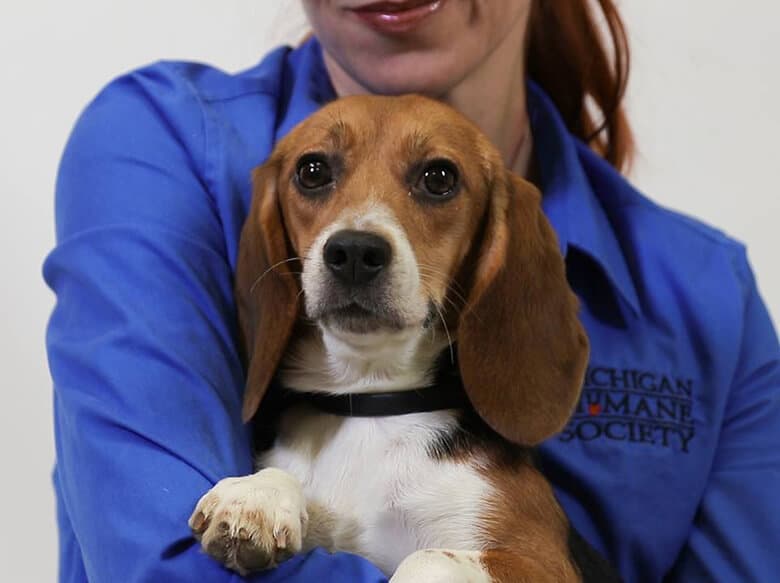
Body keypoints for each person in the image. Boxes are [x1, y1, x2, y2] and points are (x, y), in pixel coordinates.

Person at [44, 1, 780, 581]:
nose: (357, 234)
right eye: (315, 176)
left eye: (435, 180)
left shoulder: (712, 296)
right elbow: (164, 564)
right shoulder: (161, 148)